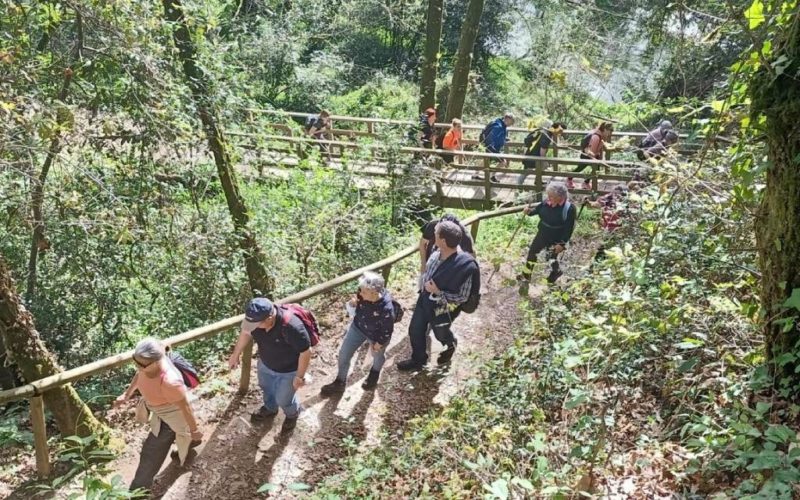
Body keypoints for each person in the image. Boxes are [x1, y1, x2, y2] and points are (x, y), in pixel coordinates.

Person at [115, 338, 203, 493]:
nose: (137, 366)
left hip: (171, 416)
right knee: (180, 435)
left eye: (140, 364)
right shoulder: (146, 366)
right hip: (159, 410)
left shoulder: (170, 381)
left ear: (156, 361)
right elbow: (139, 374)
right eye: (134, 361)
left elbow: (185, 407)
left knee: (150, 452)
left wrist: (194, 430)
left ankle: (137, 492)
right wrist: (126, 394)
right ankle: (189, 443)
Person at [398, 220, 478, 371]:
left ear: (443, 240)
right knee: (415, 329)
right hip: (425, 300)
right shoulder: (436, 252)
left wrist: (438, 293)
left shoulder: (465, 265)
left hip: (443, 308)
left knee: (440, 333)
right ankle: (418, 360)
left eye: (436, 233)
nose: (432, 234)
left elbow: (463, 297)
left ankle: (450, 344)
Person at [227, 298, 311, 432]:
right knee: (266, 388)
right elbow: (245, 332)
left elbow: (306, 352)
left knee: (284, 399)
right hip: (266, 363)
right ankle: (270, 408)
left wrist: (299, 377)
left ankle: (292, 414)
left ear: (269, 318)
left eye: (255, 324)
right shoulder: (253, 320)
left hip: (289, 370)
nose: (251, 326)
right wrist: (235, 354)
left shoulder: (292, 326)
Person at [320, 272, 397, 395]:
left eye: (363, 292)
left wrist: (379, 343)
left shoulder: (386, 308)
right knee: (344, 354)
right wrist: (352, 305)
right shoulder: (362, 294)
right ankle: (340, 382)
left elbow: (387, 329)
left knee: (377, 356)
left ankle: (374, 374)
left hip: (377, 335)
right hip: (358, 327)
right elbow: (352, 311)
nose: (360, 294)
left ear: (373, 292)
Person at [519, 181, 576, 294]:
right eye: (548, 195)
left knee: (550, 258)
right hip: (542, 233)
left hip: (556, 237)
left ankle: (556, 272)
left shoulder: (569, 209)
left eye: (551, 196)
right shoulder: (546, 202)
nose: (548, 198)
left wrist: (562, 244)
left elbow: (569, 228)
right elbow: (537, 211)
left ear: (560, 197)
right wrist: (528, 212)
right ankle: (526, 276)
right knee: (532, 253)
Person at [567, 121, 614, 191]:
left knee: (595, 170)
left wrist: (600, 157)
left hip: (593, 155)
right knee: (581, 168)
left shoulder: (600, 135)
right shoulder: (596, 137)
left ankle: (586, 182)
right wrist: (596, 159)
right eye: (609, 132)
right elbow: (591, 152)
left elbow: (599, 148)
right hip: (587, 155)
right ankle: (570, 179)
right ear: (604, 130)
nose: (609, 134)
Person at [519, 120, 566, 186]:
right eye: (560, 131)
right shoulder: (547, 135)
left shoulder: (547, 131)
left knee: (540, 166)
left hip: (531, 152)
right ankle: (518, 185)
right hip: (532, 154)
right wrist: (544, 161)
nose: (559, 134)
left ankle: (537, 181)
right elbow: (542, 151)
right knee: (528, 170)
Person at [476, 112, 515, 182]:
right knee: (503, 162)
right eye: (511, 122)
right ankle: (491, 175)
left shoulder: (499, 123)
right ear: (507, 119)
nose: (511, 124)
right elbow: (491, 137)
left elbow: (498, 136)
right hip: (491, 148)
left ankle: (475, 175)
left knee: (486, 161)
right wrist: (492, 149)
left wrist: (504, 139)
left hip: (490, 147)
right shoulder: (498, 127)